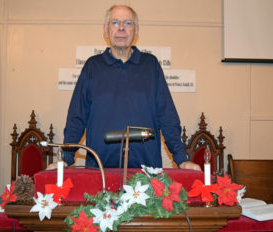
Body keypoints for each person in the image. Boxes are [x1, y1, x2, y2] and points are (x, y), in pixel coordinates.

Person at [49, 5, 201, 171]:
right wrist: (66, 158)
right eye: (115, 22)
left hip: (146, 173)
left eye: (127, 23)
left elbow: (167, 116)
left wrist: (181, 159)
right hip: (100, 172)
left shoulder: (151, 65)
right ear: (105, 30)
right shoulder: (92, 66)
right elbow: (76, 118)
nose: (121, 28)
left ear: (135, 31)